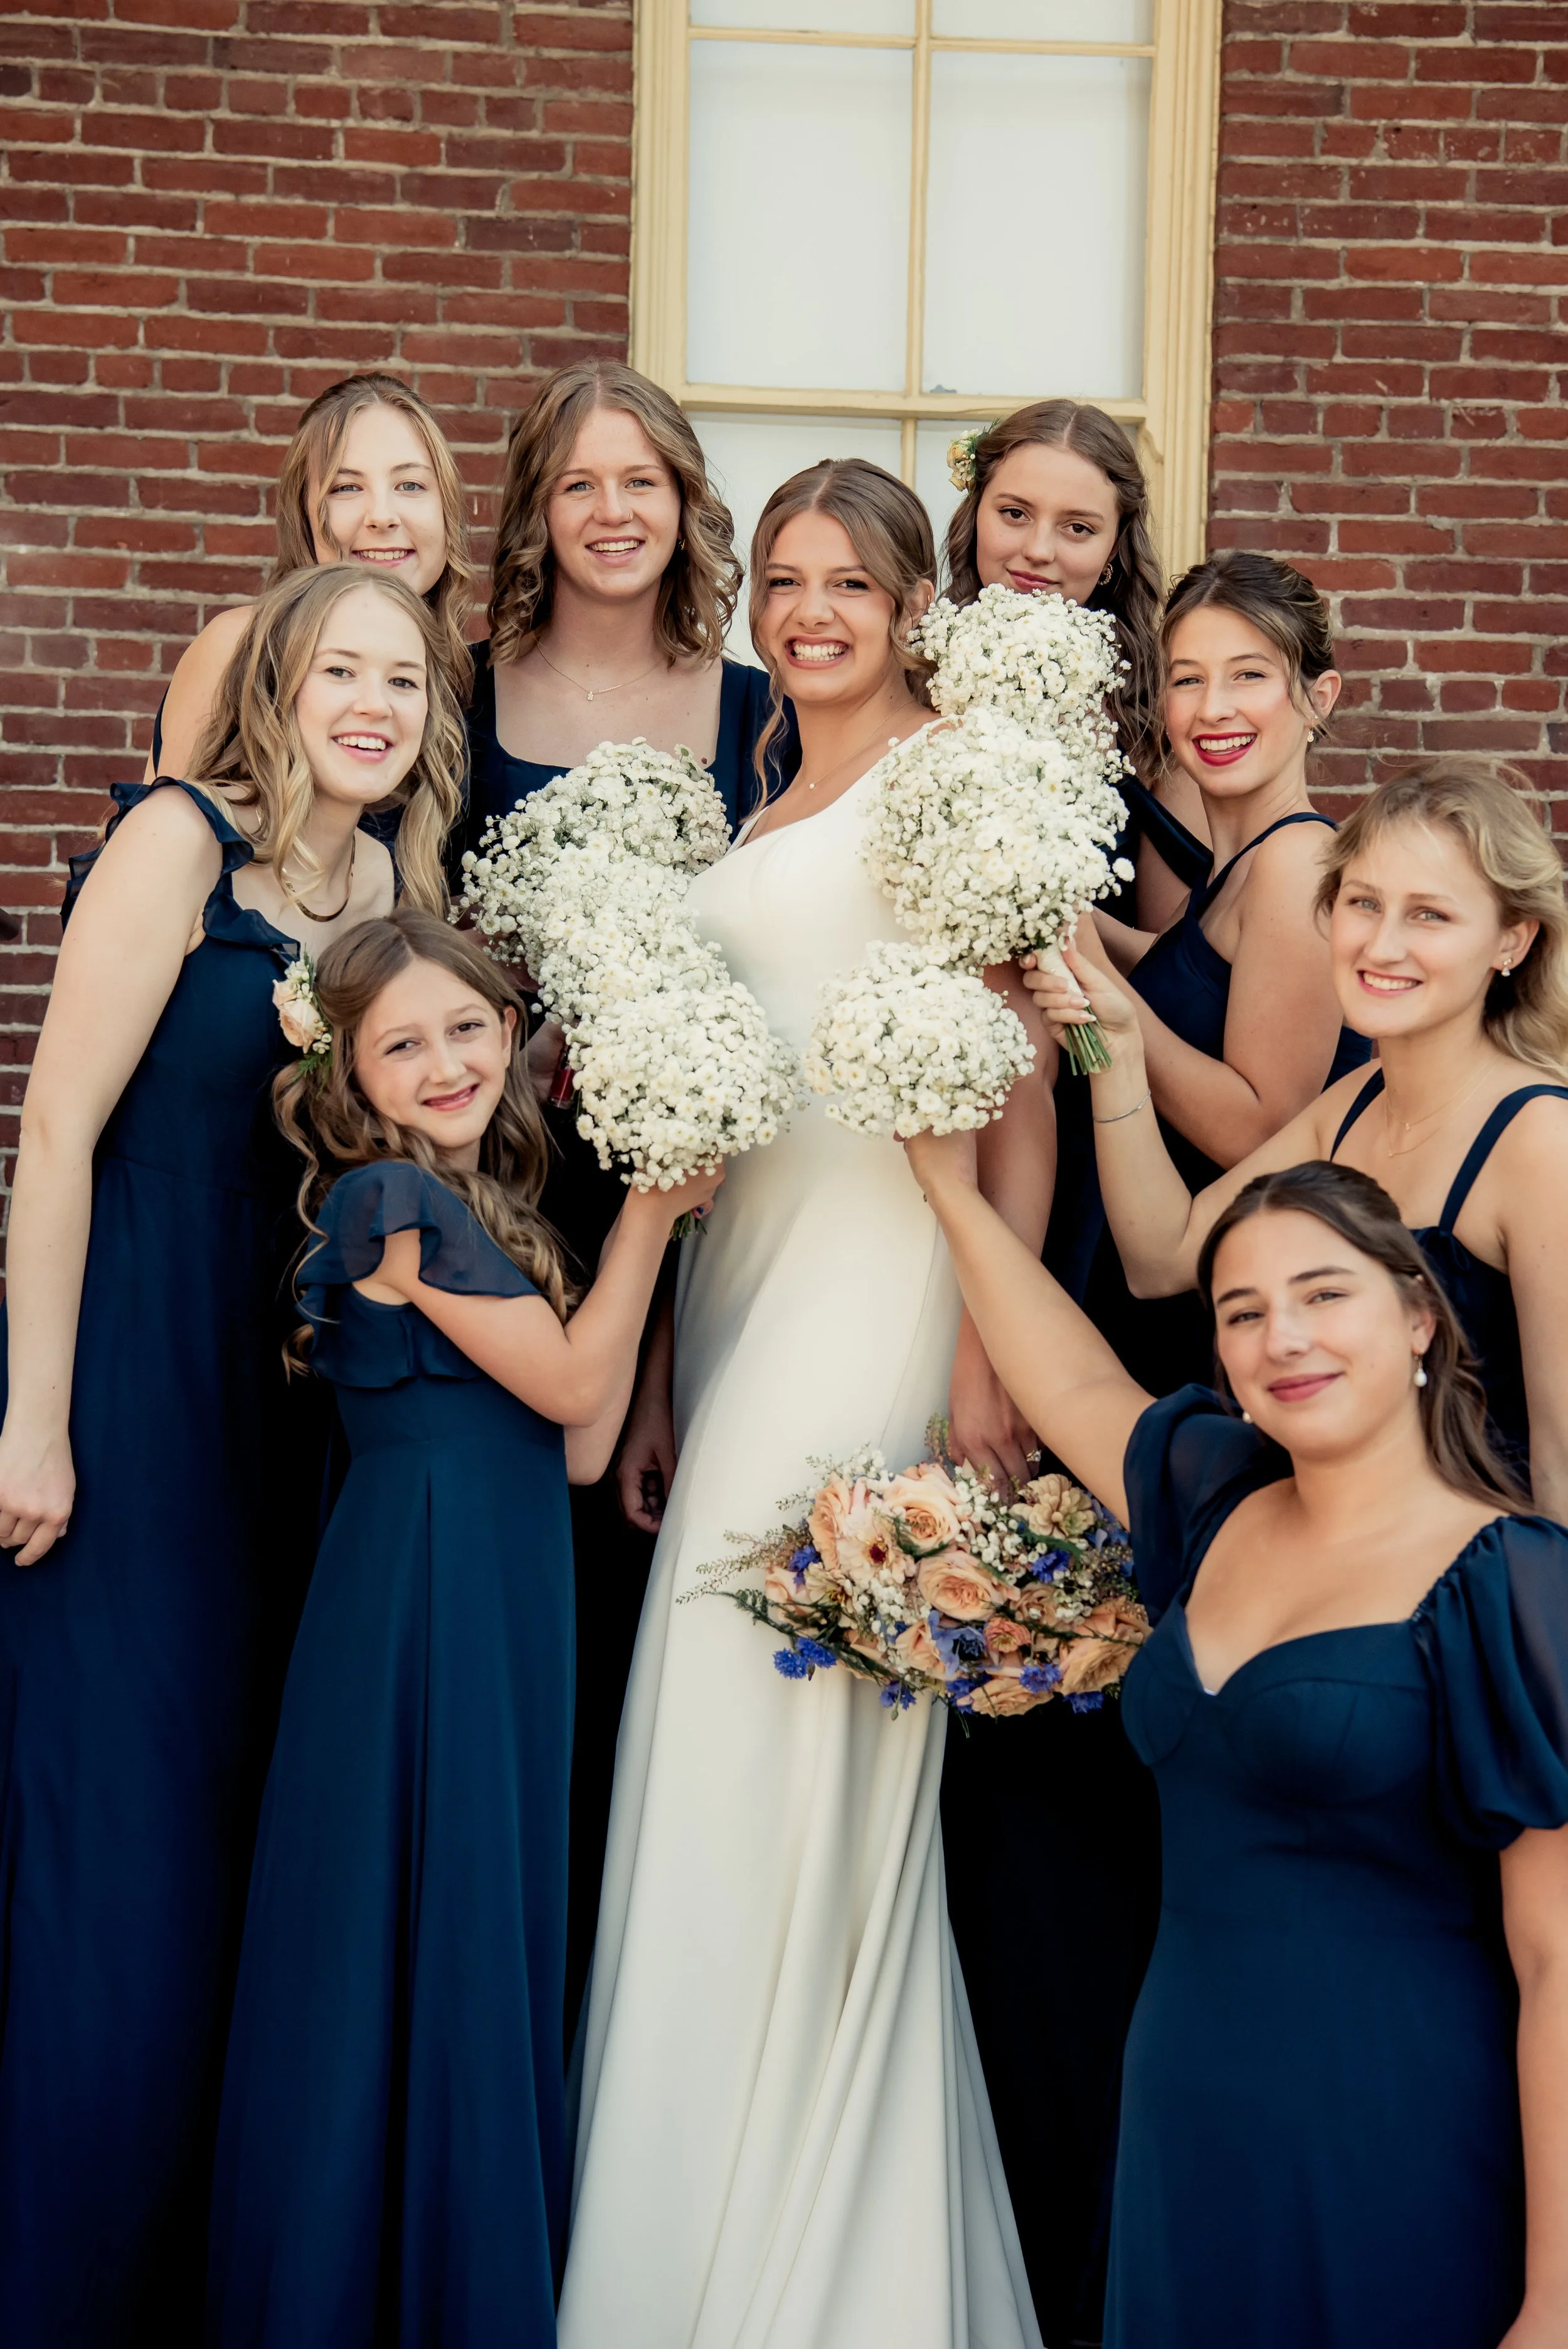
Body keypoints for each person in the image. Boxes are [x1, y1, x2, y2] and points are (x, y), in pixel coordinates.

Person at [557, 460, 1046, 2349]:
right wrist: (669, 1357)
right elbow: (709, 1135)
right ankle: (695, 2233)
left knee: (795, 1748)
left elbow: (1006, 1096)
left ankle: (814, 2275)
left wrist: (982, 1369)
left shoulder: (949, 790)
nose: (808, 610)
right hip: (739, 1313)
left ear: (915, 602)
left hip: (881, 1322)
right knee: (705, 1747)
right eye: (783, 578)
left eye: (848, 580)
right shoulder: (762, 797)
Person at [0, 562, 462, 2347]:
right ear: (276, 684)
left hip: (302, 1407)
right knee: (121, 1847)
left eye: (405, 681)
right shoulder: (182, 841)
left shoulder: (395, 894)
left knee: (247, 1852)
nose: (374, 702)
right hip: (133, 1387)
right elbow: (53, 1127)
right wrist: (35, 1413)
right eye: (340, 669)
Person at [907, 1133, 1568, 2349]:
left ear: (1416, 1319)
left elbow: (1556, 1960)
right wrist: (947, 1189)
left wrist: (1559, 2296)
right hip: (1183, 2100)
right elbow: (1073, 1385)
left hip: (1390, 2121)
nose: (1284, 1339)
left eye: (1324, 1295)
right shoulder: (1210, 1496)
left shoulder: (1510, 1580)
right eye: (1242, 1311)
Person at [206, 913, 720, 2348]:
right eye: (404, 1044)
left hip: (504, 1593)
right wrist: (651, 1218)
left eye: (467, 1029)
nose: (445, 1062)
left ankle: (450, 2270)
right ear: (354, 1079)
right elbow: (569, 1391)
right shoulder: (389, 1206)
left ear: (511, 1031)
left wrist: (634, 1241)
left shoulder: (481, 1205)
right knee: (408, 1919)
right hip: (421, 1605)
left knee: (476, 1910)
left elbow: (576, 1449)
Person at [470, 359, 795, 2031]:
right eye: (579, 484)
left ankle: (639, 2022)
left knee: (648, 1599)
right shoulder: (458, 698)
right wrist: (501, 1045)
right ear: (537, 509)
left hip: (702, 1202)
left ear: (685, 509)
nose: (611, 514)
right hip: (495, 1206)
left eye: (642, 483)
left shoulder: (756, 714)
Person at [1030, 754, 1568, 1519]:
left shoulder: (1541, 1140)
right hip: (1320, 1562)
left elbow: (1560, 1463)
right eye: (1362, 903)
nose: (1381, 946)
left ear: (1511, 942)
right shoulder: (1353, 1103)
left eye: (1429, 915)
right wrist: (1120, 1050)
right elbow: (1161, 1255)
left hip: (1467, 1598)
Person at [1061, 550, 1370, 1396]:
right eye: (1188, 679)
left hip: (1207, 1313)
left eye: (1249, 676)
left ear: (1318, 697)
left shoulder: (1298, 863)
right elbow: (1178, 974)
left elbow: (1259, 1123)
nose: (1214, 708)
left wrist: (1100, 980)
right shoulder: (1236, 866)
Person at [943, 399, 1209, 935]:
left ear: (1114, 547)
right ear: (976, 514)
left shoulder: (1156, 711)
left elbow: (1171, 954)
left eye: (1078, 528)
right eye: (1014, 514)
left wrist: (1038, 909)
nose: (1039, 550)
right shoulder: (909, 671)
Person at [145, 371, 474, 783]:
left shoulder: (462, 679)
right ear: (303, 515)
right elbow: (160, 839)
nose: (382, 516)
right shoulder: (242, 648)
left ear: (447, 511)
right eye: (346, 488)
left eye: (410, 484)